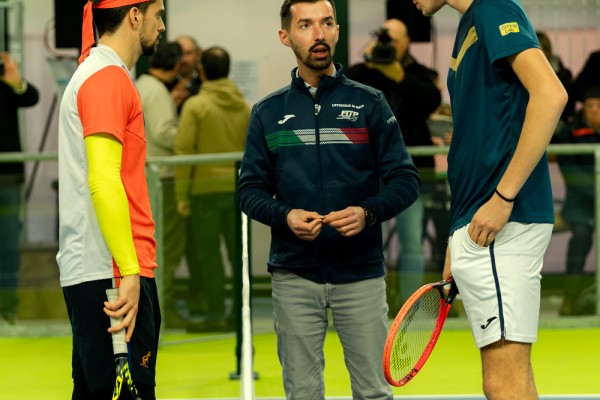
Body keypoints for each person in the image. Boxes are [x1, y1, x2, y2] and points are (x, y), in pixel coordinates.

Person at [237, 0, 419, 398]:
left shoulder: (371, 103)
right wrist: (285, 216)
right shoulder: (267, 112)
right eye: (305, 25)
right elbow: (249, 191)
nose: (318, 34)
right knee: (302, 392)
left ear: (337, 31)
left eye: (327, 23)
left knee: (374, 392)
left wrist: (367, 212)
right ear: (285, 36)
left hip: (361, 275)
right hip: (294, 276)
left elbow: (406, 180)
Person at [412, 0, 567, 399]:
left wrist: (503, 196)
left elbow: (551, 94)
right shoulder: (470, 23)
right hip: (481, 224)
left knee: (503, 382)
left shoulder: (492, 8)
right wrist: (457, 236)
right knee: (512, 378)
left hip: (502, 223)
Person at [57, 0, 165, 398]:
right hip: (112, 272)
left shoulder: (98, 73)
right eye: (158, 14)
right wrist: (130, 271)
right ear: (135, 16)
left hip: (103, 270)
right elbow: (103, 180)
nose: (162, 26)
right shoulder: (106, 77)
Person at [346, 18, 441, 309]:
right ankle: (370, 303)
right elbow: (341, 90)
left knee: (412, 242)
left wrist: (400, 76)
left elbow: (431, 100)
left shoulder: (419, 74)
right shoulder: (363, 74)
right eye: (384, 41)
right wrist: (370, 62)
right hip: (368, 172)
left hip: (411, 172)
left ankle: (410, 306)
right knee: (367, 239)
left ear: (407, 42)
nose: (389, 47)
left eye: (394, 41)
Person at [175, 46, 250, 331]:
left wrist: (181, 194)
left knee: (209, 257)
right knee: (238, 255)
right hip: (237, 190)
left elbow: (184, 151)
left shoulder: (196, 106)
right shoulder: (244, 107)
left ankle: (216, 312)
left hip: (203, 191)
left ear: (202, 71)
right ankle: (241, 314)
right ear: (228, 70)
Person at [136, 40, 188, 329]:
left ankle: (159, 308)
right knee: (167, 246)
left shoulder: (143, 85)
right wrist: (191, 136)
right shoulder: (156, 92)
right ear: (177, 65)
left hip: (148, 175)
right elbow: (163, 133)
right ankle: (165, 309)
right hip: (163, 177)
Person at [0, 51, 39, 324]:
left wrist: (15, 81)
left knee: (8, 247)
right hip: (9, 178)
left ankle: (8, 307)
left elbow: (31, 97)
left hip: (8, 179)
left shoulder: (6, 85)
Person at [555, 85, 600, 316]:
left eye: (599, 106)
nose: (594, 111)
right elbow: (572, 174)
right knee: (581, 237)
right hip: (580, 204)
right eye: (590, 106)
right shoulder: (569, 133)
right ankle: (570, 299)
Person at [536, 31, 574, 123]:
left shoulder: (563, 74)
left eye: (538, 50)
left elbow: (569, 106)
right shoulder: (520, 73)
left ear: (547, 51)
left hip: (557, 120)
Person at [172, 35, 202, 111]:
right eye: (180, 53)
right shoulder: (163, 83)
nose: (184, 59)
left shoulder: (204, 82)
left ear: (197, 55)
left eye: (188, 53)